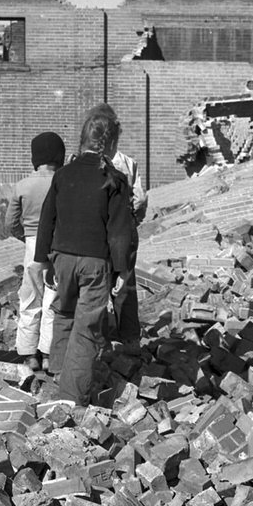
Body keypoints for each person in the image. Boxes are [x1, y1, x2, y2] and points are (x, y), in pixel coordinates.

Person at [34, 109, 136, 407]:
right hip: (95, 263)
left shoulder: (63, 175)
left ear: (82, 140)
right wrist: (120, 272)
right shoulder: (114, 180)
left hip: (62, 258)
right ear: (113, 145)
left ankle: (57, 374)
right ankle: (70, 399)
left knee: (64, 313)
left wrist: (42, 260)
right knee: (87, 328)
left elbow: (47, 218)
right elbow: (119, 233)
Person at [84, 103, 148, 354]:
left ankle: (99, 340)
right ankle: (130, 338)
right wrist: (134, 219)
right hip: (124, 230)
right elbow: (140, 198)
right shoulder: (128, 162)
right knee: (125, 286)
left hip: (96, 231)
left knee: (97, 283)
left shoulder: (81, 160)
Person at [5, 131, 65, 371]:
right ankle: (48, 353)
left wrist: (25, 237)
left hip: (31, 244)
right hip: (58, 246)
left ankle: (29, 353)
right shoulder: (64, 183)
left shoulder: (22, 186)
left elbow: (10, 223)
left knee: (30, 297)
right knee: (53, 298)